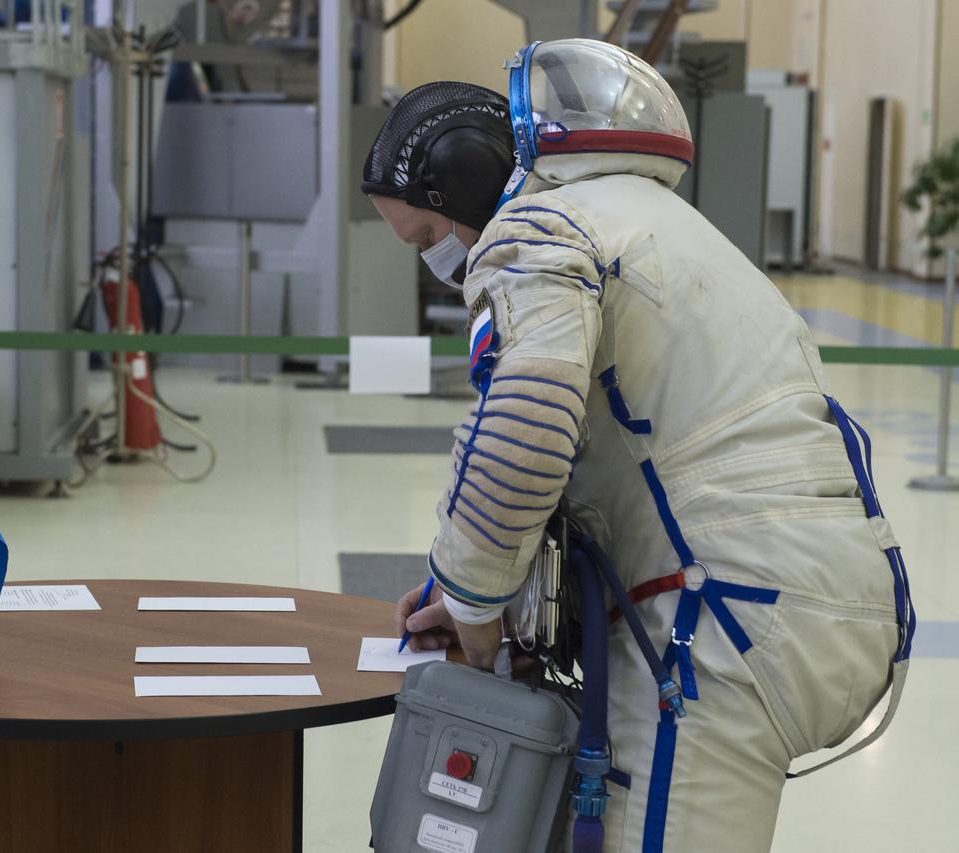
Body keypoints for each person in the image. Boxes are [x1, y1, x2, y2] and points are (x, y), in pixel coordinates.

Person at [362, 40, 914, 853]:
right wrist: (473, 589)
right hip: (826, 600)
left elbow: (521, 431)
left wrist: (475, 606)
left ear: (470, 183)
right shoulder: (646, 221)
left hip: (726, 622)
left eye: (427, 237)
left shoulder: (537, 231)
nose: (442, 262)